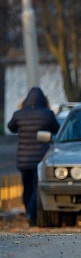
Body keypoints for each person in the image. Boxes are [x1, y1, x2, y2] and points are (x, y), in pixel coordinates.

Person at [7, 87, 60, 225]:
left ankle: (29, 212)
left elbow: (11, 127)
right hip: (40, 159)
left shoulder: (19, 114)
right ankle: (32, 213)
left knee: (27, 187)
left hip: (23, 159)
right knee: (37, 187)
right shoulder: (47, 114)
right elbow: (57, 130)